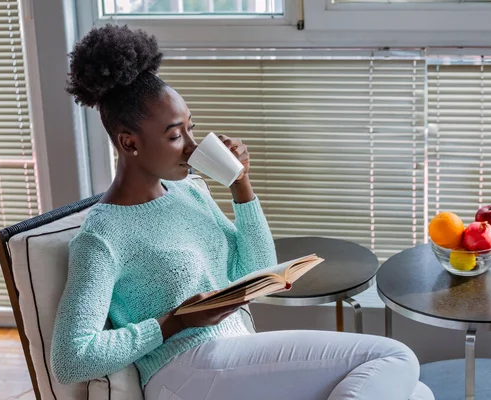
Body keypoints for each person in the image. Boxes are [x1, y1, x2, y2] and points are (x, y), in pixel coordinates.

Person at [50, 24, 434, 400]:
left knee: (416, 392)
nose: (191, 145)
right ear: (129, 142)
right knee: (395, 357)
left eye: (191, 129)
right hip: (183, 373)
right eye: (174, 135)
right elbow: (71, 359)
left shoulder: (190, 192)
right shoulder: (103, 235)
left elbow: (257, 267)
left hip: (235, 357)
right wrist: (175, 322)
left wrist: (240, 184)